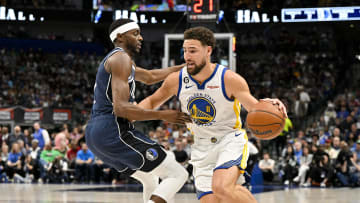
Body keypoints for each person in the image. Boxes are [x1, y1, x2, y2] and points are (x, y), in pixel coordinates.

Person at [139, 26, 287, 203]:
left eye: (193, 51)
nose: (187, 56)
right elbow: (151, 102)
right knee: (214, 199)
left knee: (222, 187)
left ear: (208, 50)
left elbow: (256, 108)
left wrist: (272, 105)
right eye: (185, 51)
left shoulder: (229, 79)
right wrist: (128, 115)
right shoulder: (176, 79)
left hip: (229, 140)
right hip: (201, 147)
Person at [85, 18, 191, 203]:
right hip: (113, 130)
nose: (141, 38)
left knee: (150, 176)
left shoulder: (121, 61)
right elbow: (122, 109)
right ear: (119, 37)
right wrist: (164, 114)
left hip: (96, 134)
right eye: (135, 34)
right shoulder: (120, 58)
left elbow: (150, 77)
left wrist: (183, 68)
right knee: (178, 174)